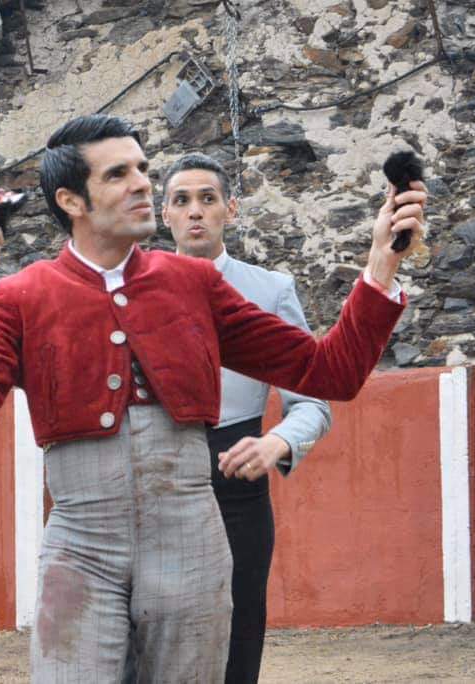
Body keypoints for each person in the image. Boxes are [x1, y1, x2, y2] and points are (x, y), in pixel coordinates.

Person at [0, 114, 426, 682]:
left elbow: (330, 372)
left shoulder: (193, 283)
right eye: (118, 174)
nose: (142, 183)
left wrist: (382, 261)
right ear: (71, 200)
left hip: (191, 535)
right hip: (81, 543)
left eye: (142, 169)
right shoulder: (19, 296)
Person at [163, 152, 332, 683]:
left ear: (230, 210)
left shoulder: (270, 289)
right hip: (155, 477)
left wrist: (277, 443)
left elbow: (312, 401)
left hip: (238, 475)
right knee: (153, 628)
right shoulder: (132, 289)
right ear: (164, 214)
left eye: (207, 199)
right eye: (182, 200)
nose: (195, 211)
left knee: (238, 631)